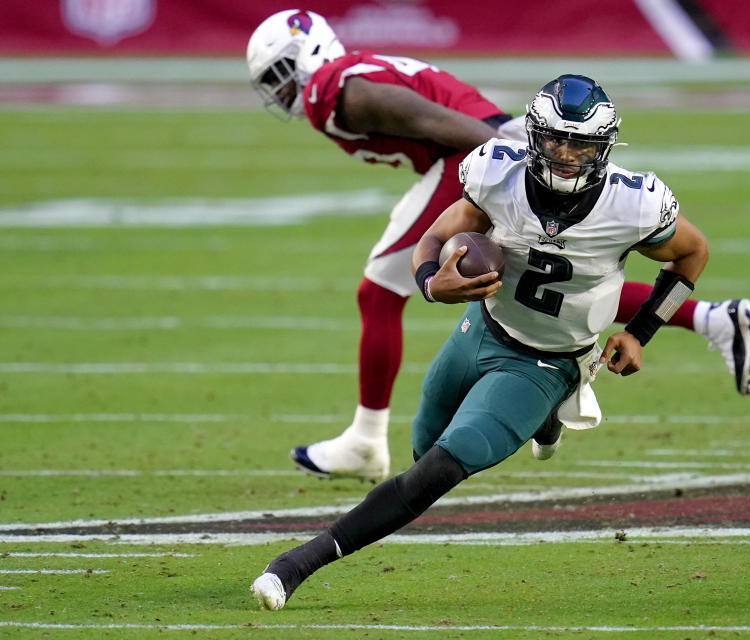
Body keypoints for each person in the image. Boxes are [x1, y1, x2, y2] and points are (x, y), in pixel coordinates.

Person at [252, 73, 711, 610]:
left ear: (603, 147)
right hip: (479, 331)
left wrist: (642, 331)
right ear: (535, 136)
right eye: (557, 139)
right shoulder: (498, 172)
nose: (567, 155)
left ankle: (297, 564)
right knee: (421, 447)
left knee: (438, 469)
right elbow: (435, 234)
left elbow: (694, 253)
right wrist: (430, 281)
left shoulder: (632, 204)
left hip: (546, 361)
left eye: (581, 143)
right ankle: (547, 419)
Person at [245, 10, 750, 483]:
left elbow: (435, 123)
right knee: (549, 274)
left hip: (502, 153)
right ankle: (711, 318)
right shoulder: (351, 76)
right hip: (501, 150)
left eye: (277, 74)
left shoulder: (338, 88)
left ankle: (364, 440)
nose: (278, 90)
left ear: (305, 56)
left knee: (381, 289)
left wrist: (506, 165)